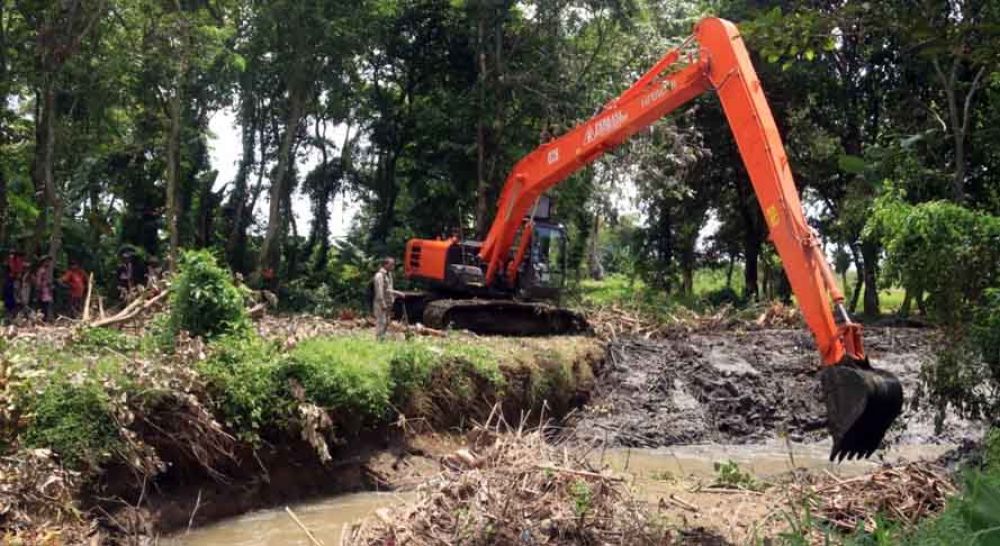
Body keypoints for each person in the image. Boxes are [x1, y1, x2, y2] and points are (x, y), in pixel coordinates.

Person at [372, 257, 403, 341]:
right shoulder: (379, 275)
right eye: (391, 264)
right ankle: (378, 340)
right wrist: (383, 304)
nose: (393, 266)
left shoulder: (389, 275)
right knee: (381, 322)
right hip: (381, 303)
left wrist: (396, 294)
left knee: (386, 322)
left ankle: (382, 340)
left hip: (388, 303)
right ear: (385, 264)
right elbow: (379, 290)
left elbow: (388, 289)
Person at [34, 256, 54, 322]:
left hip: (46, 291)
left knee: (45, 306)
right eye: (47, 262)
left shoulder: (45, 270)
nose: (48, 263)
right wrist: (38, 290)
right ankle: (41, 320)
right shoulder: (41, 270)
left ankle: (44, 320)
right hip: (42, 291)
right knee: (42, 306)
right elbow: (38, 281)